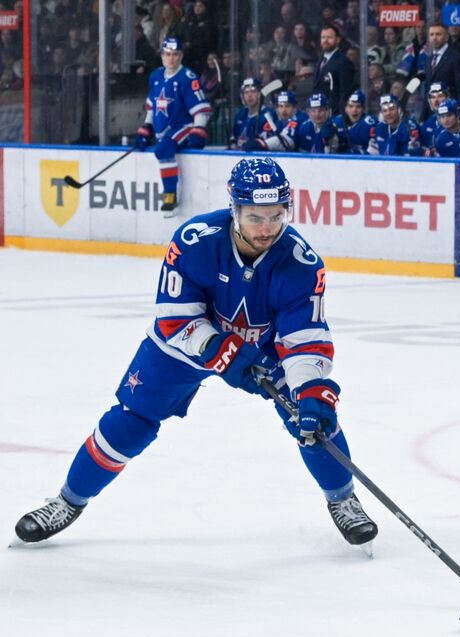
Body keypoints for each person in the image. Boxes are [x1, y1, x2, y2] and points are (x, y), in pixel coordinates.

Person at [14, 158, 378, 550]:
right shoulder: (195, 240)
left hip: (265, 349)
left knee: (313, 420)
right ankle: (68, 501)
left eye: (276, 216)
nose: (267, 228)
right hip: (185, 345)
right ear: (234, 209)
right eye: (255, 217)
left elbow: (305, 338)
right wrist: (227, 355)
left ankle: (343, 499)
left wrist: (309, 389)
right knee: (131, 421)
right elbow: (175, 319)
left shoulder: (301, 263)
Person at [134, 36, 211, 217]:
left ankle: (170, 196)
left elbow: (201, 110)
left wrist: (199, 130)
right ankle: (171, 194)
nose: (171, 58)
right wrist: (147, 127)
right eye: (168, 54)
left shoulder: (187, 78)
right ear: (162, 55)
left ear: (181, 56)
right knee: (163, 147)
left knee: (162, 150)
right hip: (163, 130)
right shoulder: (156, 76)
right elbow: (152, 107)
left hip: (183, 126)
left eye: (175, 54)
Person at [421, 24, 460, 111]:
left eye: (438, 34)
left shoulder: (457, 58)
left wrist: (459, 110)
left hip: (451, 113)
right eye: (431, 34)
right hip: (432, 113)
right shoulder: (428, 60)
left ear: (447, 37)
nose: (434, 38)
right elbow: (427, 89)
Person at [312, 24, 357, 112]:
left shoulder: (343, 62)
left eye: (329, 37)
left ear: (337, 40)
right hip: (319, 112)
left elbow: (345, 92)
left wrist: (340, 116)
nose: (325, 40)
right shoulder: (321, 59)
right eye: (323, 37)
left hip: (334, 113)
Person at [230, 77, 275, 151]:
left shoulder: (268, 115)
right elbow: (234, 140)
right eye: (246, 92)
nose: (249, 95)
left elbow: (266, 143)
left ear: (259, 94)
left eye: (253, 91)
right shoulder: (240, 115)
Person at [332, 89, 377, 154]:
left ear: (363, 109)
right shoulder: (336, 122)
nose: (354, 110)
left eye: (358, 106)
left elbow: (374, 154)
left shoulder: (370, 123)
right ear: (345, 108)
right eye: (350, 106)